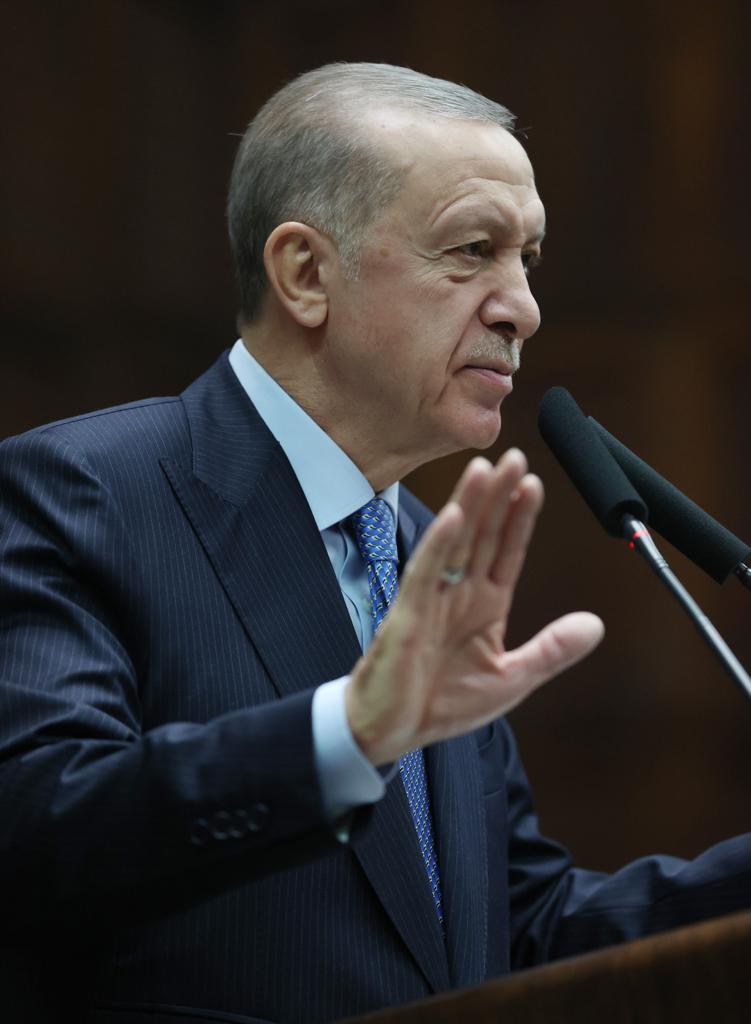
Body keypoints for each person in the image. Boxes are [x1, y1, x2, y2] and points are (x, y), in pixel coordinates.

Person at [0, 63, 749, 1024]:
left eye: (526, 258)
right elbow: (38, 831)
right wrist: (347, 734)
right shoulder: (84, 492)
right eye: (473, 250)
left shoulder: (425, 552)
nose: (521, 306)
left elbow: (517, 936)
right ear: (305, 274)